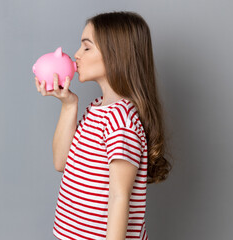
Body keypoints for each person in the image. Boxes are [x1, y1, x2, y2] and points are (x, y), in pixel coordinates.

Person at [35, 11, 172, 240]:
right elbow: (61, 162)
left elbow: (120, 197)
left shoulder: (121, 121)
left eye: (86, 47)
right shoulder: (97, 109)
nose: (76, 55)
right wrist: (69, 104)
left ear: (116, 55)